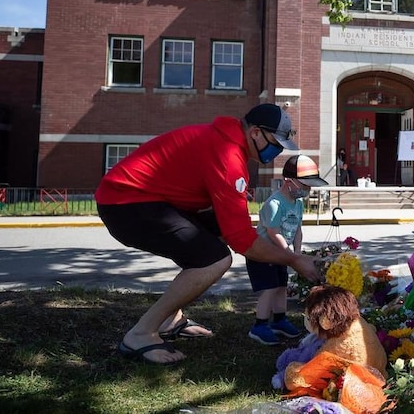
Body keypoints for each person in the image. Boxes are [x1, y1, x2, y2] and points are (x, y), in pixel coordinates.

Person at [94, 103, 322, 365]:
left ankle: (171, 318)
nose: (279, 150)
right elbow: (242, 241)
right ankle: (141, 334)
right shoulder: (228, 157)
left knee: (211, 243)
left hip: (148, 199)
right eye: (276, 142)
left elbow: (234, 227)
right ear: (256, 133)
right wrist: (294, 260)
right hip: (126, 203)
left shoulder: (226, 143)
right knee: (215, 259)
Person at [247, 154, 328, 345]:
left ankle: (279, 320)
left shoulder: (298, 203)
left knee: (282, 286)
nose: (307, 189)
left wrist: (297, 253)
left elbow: (298, 229)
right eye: (304, 185)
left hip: (282, 255)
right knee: (270, 288)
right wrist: (290, 255)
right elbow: (273, 232)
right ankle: (259, 325)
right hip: (263, 254)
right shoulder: (275, 204)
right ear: (288, 181)